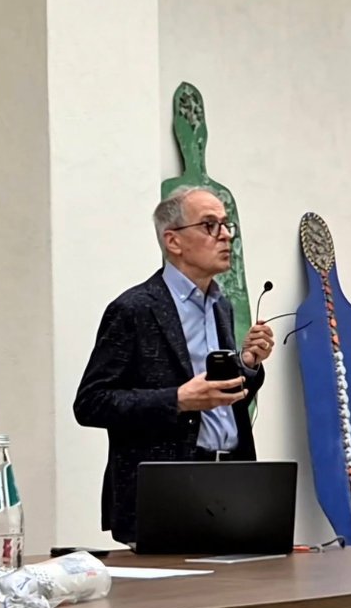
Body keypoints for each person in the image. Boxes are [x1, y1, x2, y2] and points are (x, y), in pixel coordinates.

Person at [72, 186, 278, 544]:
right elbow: (91, 403)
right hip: (166, 490)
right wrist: (177, 400)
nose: (225, 235)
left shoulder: (221, 306)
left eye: (226, 224)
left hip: (231, 479)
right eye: (210, 225)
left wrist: (247, 366)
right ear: (174, 241)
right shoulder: (134, 309)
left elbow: (221, 398)